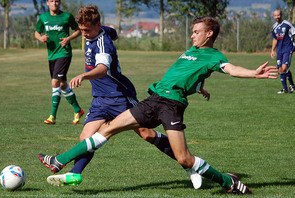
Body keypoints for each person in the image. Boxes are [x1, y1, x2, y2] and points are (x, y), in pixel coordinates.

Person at [38, 16, 278, 194]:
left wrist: (252, 73)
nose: (192, 35)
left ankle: (228, 182)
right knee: (107, 130)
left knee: (184, 158)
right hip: (153, 100)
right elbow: (189, 74)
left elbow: (229, 69)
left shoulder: (215, 56)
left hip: (171, 106)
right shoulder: (191, 51)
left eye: (196, 32)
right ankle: (59, 160)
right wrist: (199, 86)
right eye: (192, 31)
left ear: (209, 34)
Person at [38, 5, 203, 189]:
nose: (83, 34)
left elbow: (102, 69)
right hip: (100, 99)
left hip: (120, 96)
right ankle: (75, 173)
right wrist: (110, 32)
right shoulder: (100, 31)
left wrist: (84, 75)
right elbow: (113, 31)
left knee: (146, 134)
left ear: (97, 24)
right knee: (86, 137)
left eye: (87, 30)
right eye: (81, 30)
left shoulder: (102, 43)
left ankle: (189, 166)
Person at [35, 0, 84, 125]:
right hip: (51, 55)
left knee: (55, 82)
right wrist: (41, 38)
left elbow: (78, 30)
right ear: (47, 3)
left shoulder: (66, 16)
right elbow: (36, 32)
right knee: (62, 84)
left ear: (59, 3)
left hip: (64, 53)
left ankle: (52, 116)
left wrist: (68, 39)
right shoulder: (43, 17)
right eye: (52, 1)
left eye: (57, 1)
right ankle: (78, 110)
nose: (54, 3)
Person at [271, 9, 295, 94]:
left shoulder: (287, 24)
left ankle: (290, 86)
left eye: (278, 15)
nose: (277, 17)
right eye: (275, 15)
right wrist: (273, 50)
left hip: (288, 49)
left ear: (281, 15)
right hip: (279, 50)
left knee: (284, 68)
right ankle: (287, 88)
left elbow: (293, 34)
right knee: (280, 70)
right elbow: (275, 39)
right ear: (273, 16)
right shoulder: (274, 27)